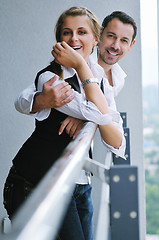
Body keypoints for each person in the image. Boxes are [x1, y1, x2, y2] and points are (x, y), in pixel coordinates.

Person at [3, 7, 126, 240]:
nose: (74, 38)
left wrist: (86, 114)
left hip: (78, 183)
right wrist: (81, 66)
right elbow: (102, 115)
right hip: (33, 181)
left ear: (95, 38)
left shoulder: (98, 78)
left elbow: (118, 141)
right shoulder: (51, 78)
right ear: (59, 39)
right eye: (67, 32)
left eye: (82, 32)